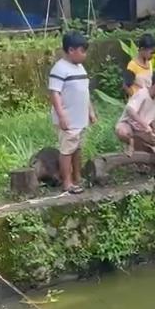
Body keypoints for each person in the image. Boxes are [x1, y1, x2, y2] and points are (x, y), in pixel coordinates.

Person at [48, 31, 97, 194]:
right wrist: (61, 115)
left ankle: (77, 177)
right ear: (71, 50)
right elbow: (55, 93)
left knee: (77, 148)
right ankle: (67, 182)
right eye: (82, 51)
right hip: (68, 119)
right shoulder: (60, 68)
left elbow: (85, 92)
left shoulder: (80, 68)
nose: (84, 55)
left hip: (80, 118)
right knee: (67, 150)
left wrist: (90, 111)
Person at [115, 69, 155, 156]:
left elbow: (154, 120)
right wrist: (145, 125)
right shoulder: (142, 93)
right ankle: (130, 142)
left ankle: (139, 150)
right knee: (122, 131)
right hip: (128, 125)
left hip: (140, 131)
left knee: (153, 142)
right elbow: (130, 110)